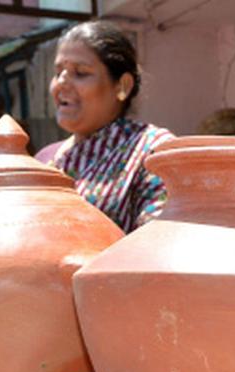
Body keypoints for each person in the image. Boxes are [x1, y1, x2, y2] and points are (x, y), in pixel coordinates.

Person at [40, 21, 175, 233]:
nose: (61, 83)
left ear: (123, 86)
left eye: (80, 73)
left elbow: (158, 241)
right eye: (58, 73)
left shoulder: (153, 152)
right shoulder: (44, 160)